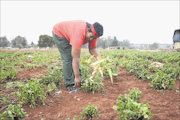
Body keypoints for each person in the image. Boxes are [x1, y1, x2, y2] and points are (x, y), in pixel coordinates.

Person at [52, 20, 103, 91]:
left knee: (74, 57)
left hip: (70, 33)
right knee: (68, 58)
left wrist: (98, 57)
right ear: (88, 30)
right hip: (59, 32)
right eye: (91, 36)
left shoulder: (94, 34)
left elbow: (92, 49)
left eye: (94, 38)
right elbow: (75, 58)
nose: (91, 39)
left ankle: (78, 77)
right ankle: (70, 83)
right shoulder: (79, 34)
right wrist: (77, 77)